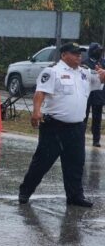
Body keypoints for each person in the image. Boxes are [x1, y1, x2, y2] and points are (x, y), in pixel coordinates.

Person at [19, 42, 105, 207]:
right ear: (64, 55)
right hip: (54, 127)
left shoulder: (84, 73)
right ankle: (25, 192)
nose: (79, 56)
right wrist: (36, 111)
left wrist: (103, 73)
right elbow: (40, 92)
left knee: (76, 164)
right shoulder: (52, 72)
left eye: (80, 54)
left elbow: (99, 80)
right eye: (74, 54)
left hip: (77, 127)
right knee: (42, 163)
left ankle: (75, 197)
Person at [84, 42, 105, 147]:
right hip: (86, 94)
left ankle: (96, 140)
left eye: (101, 51)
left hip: (99, 94)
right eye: (98, 50)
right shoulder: (84, 63)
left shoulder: (103, 62)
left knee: (97, 119)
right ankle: (80, 138)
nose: (100, 53)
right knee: (84, 117)